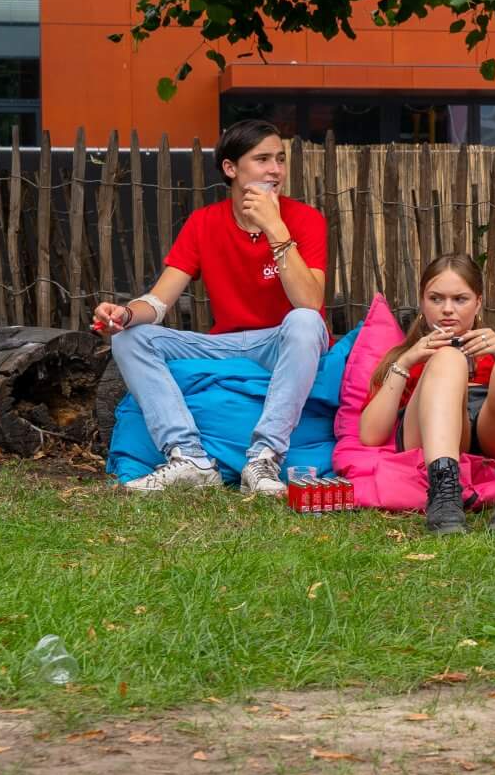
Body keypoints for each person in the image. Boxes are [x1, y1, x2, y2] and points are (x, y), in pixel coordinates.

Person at [94, 119, 329, 495]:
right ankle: (189, 458)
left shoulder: (304, 219)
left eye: (280, 159)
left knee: (305, 321)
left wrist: (275, 230)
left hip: (281, 342)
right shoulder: (204, 223)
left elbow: (310, 302)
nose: (276, 170)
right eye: (263, 159)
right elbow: (159, 302)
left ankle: (264, 458)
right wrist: (124, 314)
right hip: (226, 345)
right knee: (130, 339)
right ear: (231, 169)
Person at [356, 256, 495, 533]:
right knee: (448, 358)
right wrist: (405, 363)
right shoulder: (405, 357)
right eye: (436, 299)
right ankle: (444, 497)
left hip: (491, 431)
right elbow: (370, 434)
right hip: (429, 432)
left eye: (460, 299)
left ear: (477, 303)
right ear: (422, 301)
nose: (447, 310)